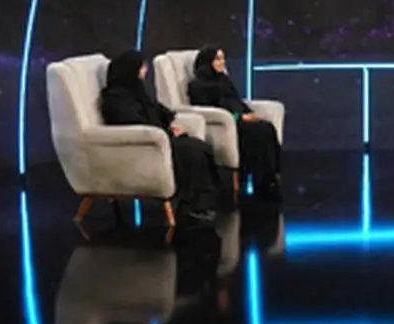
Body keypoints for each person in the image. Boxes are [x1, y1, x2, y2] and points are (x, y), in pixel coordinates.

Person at [101, 50, 219, 223]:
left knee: (201, 147)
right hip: (144, 146)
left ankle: (203, 203)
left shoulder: (138, 92)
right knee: (192, 151)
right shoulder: (115, 98)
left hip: (159, 140)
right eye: (142, 67)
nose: (145, 71)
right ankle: (191, 206)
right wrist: (165, 132)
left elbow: (158, 111)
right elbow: (134, 123)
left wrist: (169, 126)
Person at [188, 46, 282, 201]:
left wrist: (248, 113)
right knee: (260, 130)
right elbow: (206, 108)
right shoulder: (198, 85)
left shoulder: (224, 80)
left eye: (223, 58)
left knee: (266, 128)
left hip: (241, 119)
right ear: (207, 62)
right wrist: (238, 117)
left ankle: (269, 179)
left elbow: (236, 101)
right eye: (217, 59)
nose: (222, 62)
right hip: (226, 124)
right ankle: (262, 182)